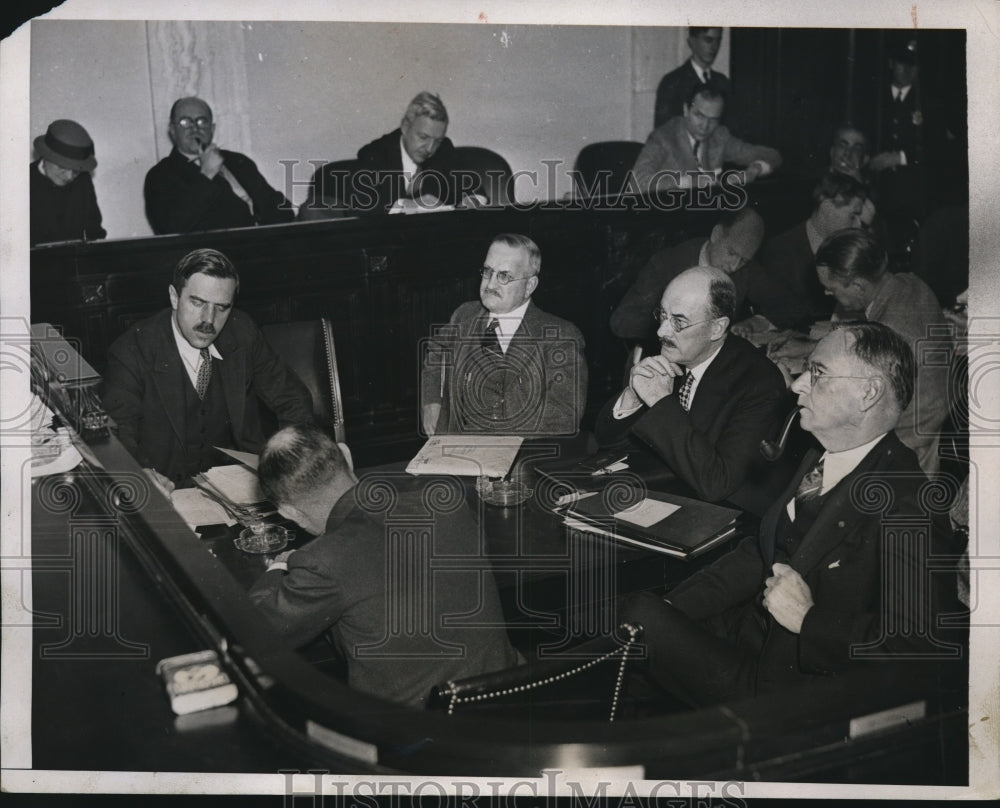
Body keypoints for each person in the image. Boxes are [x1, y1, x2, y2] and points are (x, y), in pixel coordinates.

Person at [621, 322, 958, 706]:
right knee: (633, 631)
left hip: (791, 690)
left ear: (868, 392)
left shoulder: (907, 503)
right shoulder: (820, 457)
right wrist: (676, 606)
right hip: (752, 640)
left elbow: (920, 648)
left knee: (634, 617)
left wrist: (808, 619)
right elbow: (761, 552)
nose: (797, 385)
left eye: (817, 373)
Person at [248, 424, 519, 708]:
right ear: (347, 456)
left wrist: (277, 568)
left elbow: (253, 634)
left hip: (413, 735)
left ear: (288, 512)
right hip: (508, 704)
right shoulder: (449, 504)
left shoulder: (322, 561)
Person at [102, 248, 313, 492]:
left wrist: (286, 463)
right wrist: (140, 473)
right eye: (198, 302)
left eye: (221, 307)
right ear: (174, 297)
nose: (208, 320)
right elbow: (117, 430)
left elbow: (292, 399)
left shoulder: (242, 333)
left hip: (240, 488)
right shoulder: (132, 350)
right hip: (169, 490)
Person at [595, 267, 787, 513]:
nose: (661, 332)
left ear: (717, 328)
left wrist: (661, 402)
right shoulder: (670, 350)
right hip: (658, 493)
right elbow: (608, 441)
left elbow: (717, 484)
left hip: (718, 512)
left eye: (678, 321)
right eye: (662, 315)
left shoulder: (759, 383)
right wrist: (631, 396)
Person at [421, 233, 587, 437]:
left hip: (523, 455)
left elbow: (564, 417)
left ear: (529, 286)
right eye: (487, 272)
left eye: (504, 276)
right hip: (458, 451)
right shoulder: (465, 316)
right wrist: (431, 401)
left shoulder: (560, 338)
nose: (490, 285)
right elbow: (436, 352)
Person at [815, 229, 950, 474]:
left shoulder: (889, 333)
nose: (827, 294)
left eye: (831, 289)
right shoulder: (909, 282)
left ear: (857, 285)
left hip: (909, 437)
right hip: (933, 416)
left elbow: (863, 402)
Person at [610, 208, 784, 343]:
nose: (734, 266)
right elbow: (622, 321)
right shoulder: (666, 264)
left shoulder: (746, 270)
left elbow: (792, 307)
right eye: (731, 253)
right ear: (716, 234)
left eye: (744, 260)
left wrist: (756, 323)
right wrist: (679, 328)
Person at [737, 171, 869, 333]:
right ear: (827, 208)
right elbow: (781, 313)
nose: (858, 225)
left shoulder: (852, 250)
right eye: (853, 215)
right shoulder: (779, 250)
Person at [143, 97, 294, 235]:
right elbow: (170, 227)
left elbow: (279, 207)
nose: (194, 128)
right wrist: (206, 174)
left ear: (212, 129)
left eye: (202, 121)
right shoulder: (161, 175)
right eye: (185, 122)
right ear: (172, 131)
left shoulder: (238, 161)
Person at [632, 84, 781, 194]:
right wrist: (687, 182)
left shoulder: (719, 136)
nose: (705, 126)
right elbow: (638, 182)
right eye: (699, 116)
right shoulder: (663, 138)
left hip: (704, 219)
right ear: (686, 110)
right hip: (667, 219)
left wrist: (752, 171)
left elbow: (772, 156)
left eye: (713, 119)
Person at [354, 91, 460, 213]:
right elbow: (363, 211)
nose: (430, 149)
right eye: (423, 137)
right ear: (405, 126)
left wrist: (471, 200)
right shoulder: (374, 154)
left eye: (438, 141)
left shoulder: (444, 148)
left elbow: (475, 192)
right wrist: (409, 205)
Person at [30, 119, 106, 246]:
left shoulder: (83, 180)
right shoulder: (22, 182)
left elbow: (95, 231)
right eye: (62, 167)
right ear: (46, 156)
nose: (69, 176)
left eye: (76, 171)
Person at [653, 27, 731, 129]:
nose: (714, 47)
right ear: (692, 42)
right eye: (708, 40)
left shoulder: (722, 82)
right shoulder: (672, 82)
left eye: (718, 41)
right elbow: (663, 133)